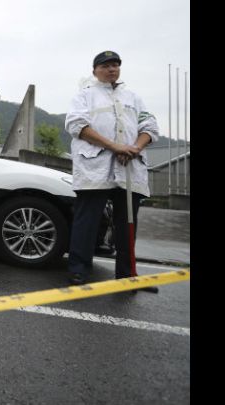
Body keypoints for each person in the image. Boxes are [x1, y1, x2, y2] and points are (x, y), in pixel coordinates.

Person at [64, 51, 159, 285]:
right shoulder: (84, 96)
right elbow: (76, 125)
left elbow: (150, 126)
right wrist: (115, 147)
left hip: (129, 168)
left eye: (115, 65)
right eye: (105, 65)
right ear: (95, 70)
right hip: (94, 167)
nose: (111, 69)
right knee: (88, 221)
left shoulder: (133, 98)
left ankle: (127, 274)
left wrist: (135, 148)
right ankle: (79, 270)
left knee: (127, 224)